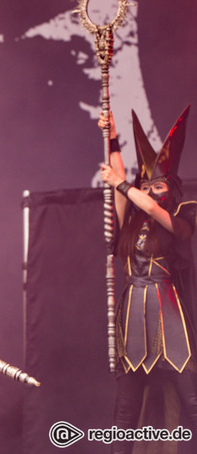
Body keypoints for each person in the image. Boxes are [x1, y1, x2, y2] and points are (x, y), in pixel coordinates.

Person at [99, 106, 197, 453]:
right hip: (133, 316)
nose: (151, 192)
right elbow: (119, 184)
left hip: (168, 314)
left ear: (170, 188)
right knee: (125, 410)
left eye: (158, 185)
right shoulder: (130, 221)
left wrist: (123, 184)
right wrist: (112, 137)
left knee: (192, 400)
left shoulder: (182, 216)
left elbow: (151, 206)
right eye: (146, 186)